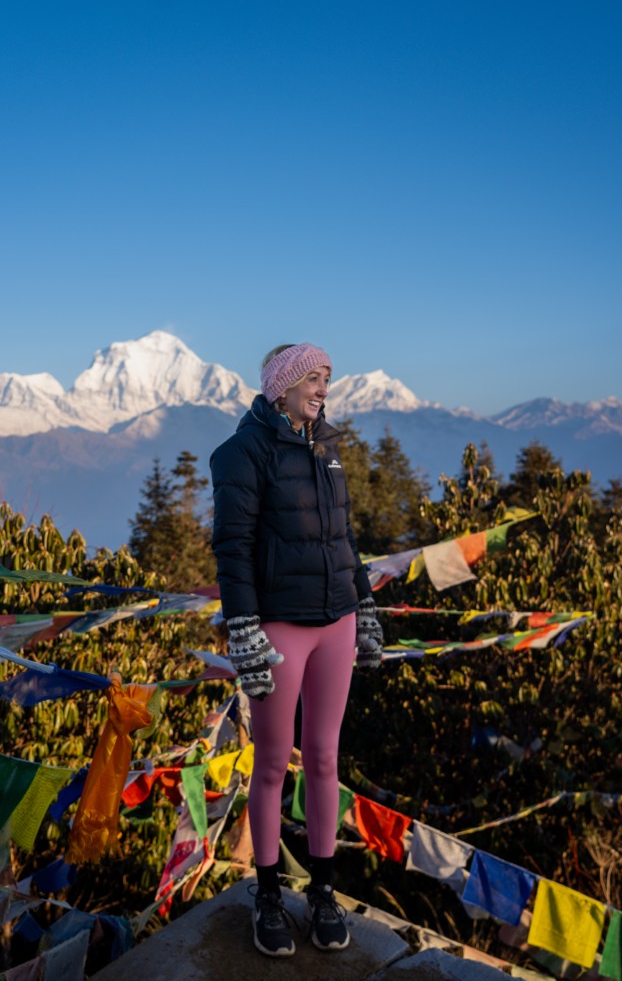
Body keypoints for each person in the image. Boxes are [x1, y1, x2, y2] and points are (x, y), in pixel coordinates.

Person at [210, 342, 383, 958]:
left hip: (335, 621)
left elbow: (345, 537)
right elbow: (232, 545)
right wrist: (243, 626)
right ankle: (266, 895)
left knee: (326, 761)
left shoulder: (326, 447)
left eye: (328, 378)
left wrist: (363, 605)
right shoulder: (241, 453)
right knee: (271, 763)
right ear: (281, 385)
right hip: (280, 625)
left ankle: (322, 892)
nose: (323, 388)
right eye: (313, 377)